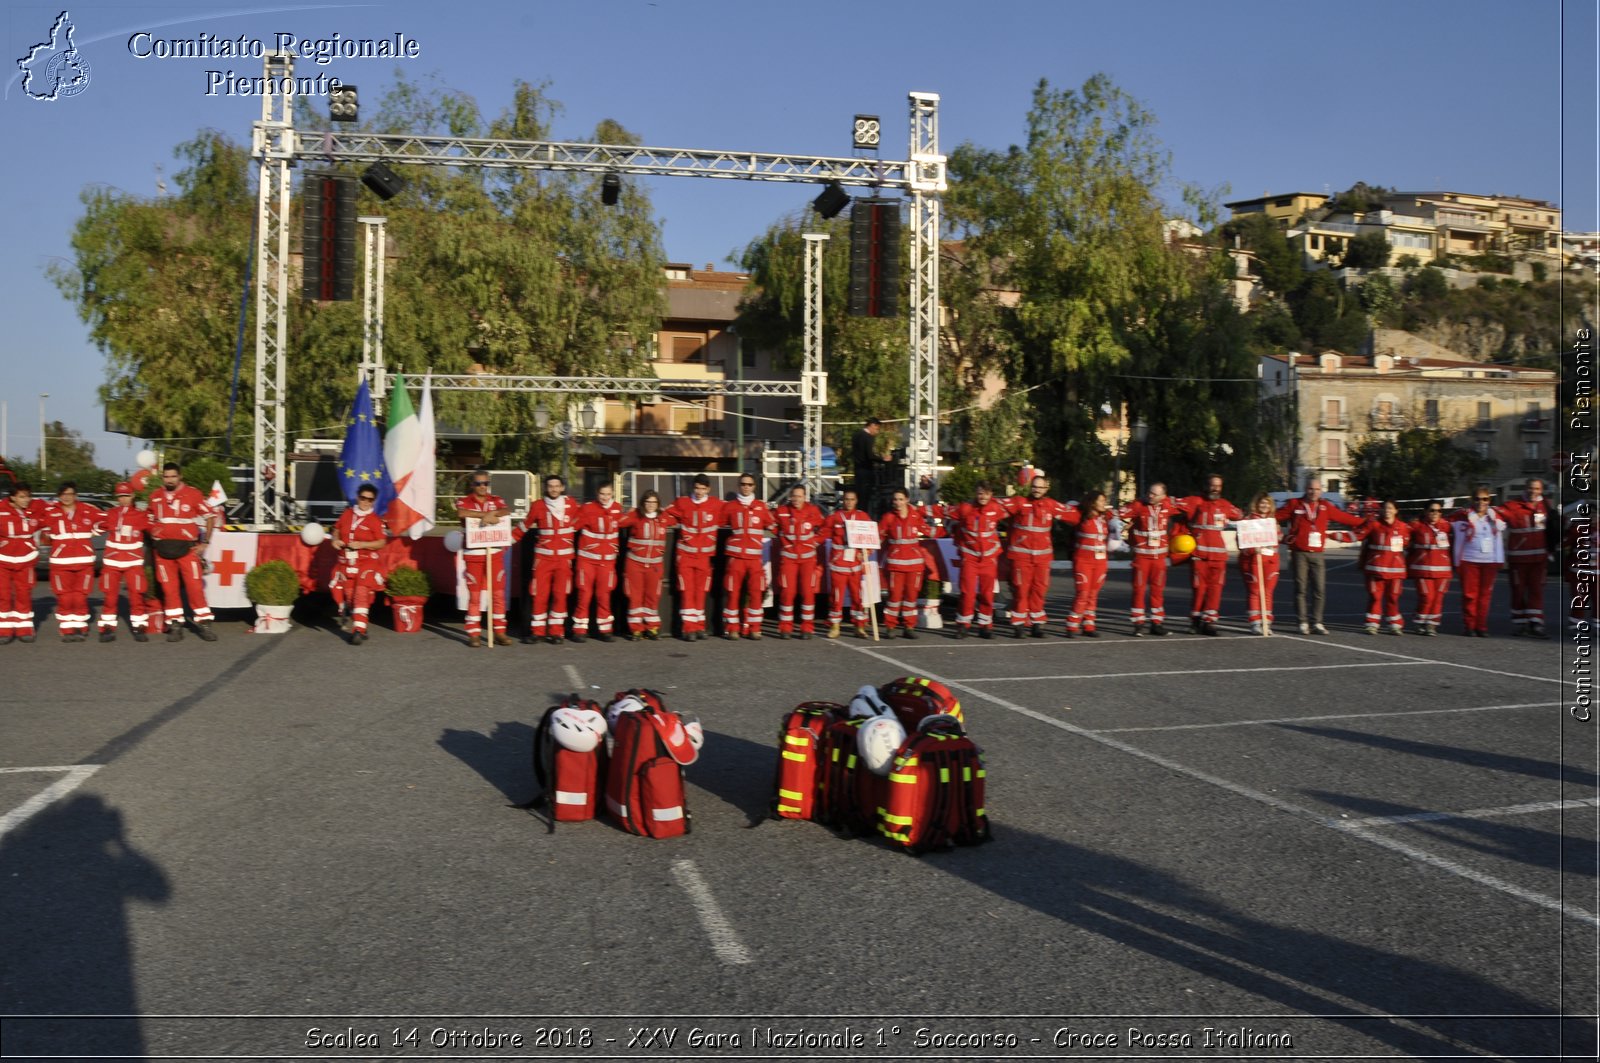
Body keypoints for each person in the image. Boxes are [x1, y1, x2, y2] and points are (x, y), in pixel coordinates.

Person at [1276, 478, 1364, 635]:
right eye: (1310, 489)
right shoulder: (1294, 504)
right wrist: (1274, 529)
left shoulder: (1325, 506)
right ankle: (1302, 622)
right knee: (1301, 589)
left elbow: (1344, 518)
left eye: (1316, 489)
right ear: (1306, 489)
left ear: (1321, 491)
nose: (1313, 492)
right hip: (1299, 553)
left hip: (1318, 553)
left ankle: (1317, 622)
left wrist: (1366, 522)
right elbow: (1275, 516)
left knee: (1319, 589)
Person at [148, 462, 222, 642]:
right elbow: (149, 519)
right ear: (162, 477)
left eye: (173, 476)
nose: (170, 479)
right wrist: (154, 536)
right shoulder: (155, 496)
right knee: (169, 588)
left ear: (180, 476)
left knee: (194, 587)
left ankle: (204, 624)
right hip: (163, 551)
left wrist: (205, 542)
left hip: (187, 550)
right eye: (166, 476)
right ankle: (175, 624)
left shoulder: (192, 494)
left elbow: (211, 516)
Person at [1003, 474, 1073, 637]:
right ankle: (1019, 625)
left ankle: (1037, 624)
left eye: (1041, 487)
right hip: (1021, 557)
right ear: (1030, 487)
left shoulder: (1050, 505)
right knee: (1021, 591)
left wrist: (1091, 510)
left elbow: (1072, 515)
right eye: (1035, 486)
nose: (1037, 490)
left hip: (1042, 558)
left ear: (1046, 489)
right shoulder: (1019, 502)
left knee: (1039, 591)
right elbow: (997, 509)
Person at [1176, 474, 1244, 636]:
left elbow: (1241, 515)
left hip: (1219, 557)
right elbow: (1171, 504)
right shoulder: (1194, 501)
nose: (1215, 489)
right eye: (1212, 485)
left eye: (1218, 486)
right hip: (1200, 555)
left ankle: (1210, 622)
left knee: (1216, 590)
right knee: (1199, 590)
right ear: (1206, 486)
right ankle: (1195, 621)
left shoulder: (1225, 505)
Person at [454, 471, 512, 648]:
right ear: (472, 485)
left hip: (494, 553)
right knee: (475, 595)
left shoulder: (496, 499)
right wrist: (484, 516)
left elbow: (507, 510)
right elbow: (461, 513)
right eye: (479, 483)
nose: (482, 486)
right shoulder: (465, 500)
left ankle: (500, 631)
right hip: (473, 554)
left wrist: (492, 512)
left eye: (485, 483)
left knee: (498, 593)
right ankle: (474, 632)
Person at [521, 474, 578, 645]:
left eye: (557, 486)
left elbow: (585, 518)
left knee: (561, 595)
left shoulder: (572, 504)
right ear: (546, 488)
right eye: (550, 486)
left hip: (564, 559)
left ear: (562, 488)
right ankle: (537, 632)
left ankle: (556, 632)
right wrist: (505, 541)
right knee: (539, 595)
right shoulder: (538, 505)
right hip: (543, 559)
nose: (554, 489)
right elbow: (525, 525)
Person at [946, 482, 1008, 638]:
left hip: (989, 559)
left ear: (991, 494)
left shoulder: (996, 508)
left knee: (987, 594)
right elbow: (943, 511)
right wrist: (917, 510)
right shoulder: (965, 509)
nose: (983, 497)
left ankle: (985, 626)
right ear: (976, 493)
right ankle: (963, 625)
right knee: (967, 593)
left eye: (986, 494)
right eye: (980, 493)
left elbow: (1016, 510)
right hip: (970, 559)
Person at [331, 483, 389, 646]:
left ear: (373, 501)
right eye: (363, 498)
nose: (366, 502)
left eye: (370, 500)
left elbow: (381, 542)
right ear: (358, 497)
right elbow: (336, 529)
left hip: (367, 561)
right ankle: (360, 622)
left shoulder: (375, 520)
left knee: (361, 591)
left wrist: (362, 544)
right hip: (347, 561)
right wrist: (335, 540)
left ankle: (358, 630)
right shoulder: (347, 514)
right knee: (351, 597)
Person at [1121, 482, 1182, 636]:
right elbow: (1119, 514)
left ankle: (1157, 623)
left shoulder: (1168, 505)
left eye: (1154, 494)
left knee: (1158, 591)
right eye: (1149, 492)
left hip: (1159, 558)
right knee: (1139, 590)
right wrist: (1123, 525)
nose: (1150, 496)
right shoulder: (1138, 506)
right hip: (1142, 556)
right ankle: (1138, 623)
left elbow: (1188, 508)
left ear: (1163, 496)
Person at [666, 474, 722, 640]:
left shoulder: (716, 504)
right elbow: (666, 514)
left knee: (700, 592)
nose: (699, 492)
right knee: (687, 592)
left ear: (708, 489)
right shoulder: (682, 502)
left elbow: (732, 511)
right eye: (697, 488)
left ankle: (699, 627)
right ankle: (688, 629)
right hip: (686, 556)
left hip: (704, 558)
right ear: (693, 487)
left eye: (703, 489)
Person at [97, 482, 152, 642]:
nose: (123, 499)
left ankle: (139, 626)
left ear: (132, 496)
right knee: (110, 596)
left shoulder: (141, 515)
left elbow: (155, 530)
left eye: (126, 496)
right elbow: (95, 526)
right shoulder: (111, 513)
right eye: (120, 496)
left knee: (136, 595)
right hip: (112, 561)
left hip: (133, 562)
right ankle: (107, 627)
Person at [721, 474, 773, 638]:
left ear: (754, 487)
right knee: (733, 593)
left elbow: (774, 525)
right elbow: (717, 523)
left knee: (756, 592)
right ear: (739, 485)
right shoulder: (730, 506)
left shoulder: (761, 507)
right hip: (735, 558)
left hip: (754, 559)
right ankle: (732, 628)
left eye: (749, 484)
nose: (746, 487)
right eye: (743, 484)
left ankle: (754, 627)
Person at [1449, 488, 1506, 637]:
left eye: (1485, 499)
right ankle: (1469, 626)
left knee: (1485, 595)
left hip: (1489, 562)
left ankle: (1481, 626)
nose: (1481, 502)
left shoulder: (1494, 517)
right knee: (1470, 595)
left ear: (1489, 501)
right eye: (1478, 499)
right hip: (1469, 561)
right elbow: (1442, 523)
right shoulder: (1462, 516)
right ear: (1472, 500)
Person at [619, 490, 675, 640]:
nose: (650, 505)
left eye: (654, 502)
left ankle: (652, 627)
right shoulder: (635, 516)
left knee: (653, 596)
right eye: (648, 502)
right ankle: (636, 629)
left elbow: (677, 518)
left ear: (658, 504)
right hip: (635, 563)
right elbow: (620, 521)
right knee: (635, 597)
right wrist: (629, 511)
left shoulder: (663, 518)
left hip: (655, 565)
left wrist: (666, 510)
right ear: (643, 503)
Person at [1501, 477, 1553, 637]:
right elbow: (1496, 516)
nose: (1533, 491)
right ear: (1525, 488)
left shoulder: (1546, 506)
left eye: (1537, 489)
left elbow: (1554, 527)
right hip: (1518, 559)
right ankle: (1520, 623)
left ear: (1541, 490)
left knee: (1536, 590)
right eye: (1531, 488)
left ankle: (1536, 623)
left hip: (1539, 559)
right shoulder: (1513, 505)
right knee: (1518, 590)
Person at [879, 487, 934, 638]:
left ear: (907, 500)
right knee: (894, 597)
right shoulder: (888, 517)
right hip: (895, 565)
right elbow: (878, 536)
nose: (897, 502)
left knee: (911, 598)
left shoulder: (916, 516)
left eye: (901, 499)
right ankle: (890, 626)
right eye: (895, 499)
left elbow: (928, 530)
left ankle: (909, 627)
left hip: (914, 566)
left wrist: (952, 530)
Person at [571, 483, 624, 642]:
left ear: (613, 493)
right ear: (597, 493)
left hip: (607, 562)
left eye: (608, 494)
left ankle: (605, 630)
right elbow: (573, 525)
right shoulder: (587, 508)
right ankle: (579, 630)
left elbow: (632, 520)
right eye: (602, 493)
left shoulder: (618, 508)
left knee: (604, 595)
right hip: (587, 560)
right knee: (584, 594)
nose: (605, 497)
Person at [773, 484, 825, 638]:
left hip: (807, 559)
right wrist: (783, 539)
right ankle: (785, 627)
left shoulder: (813, 511)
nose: (796, 499)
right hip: (789, 558)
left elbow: (825, 527)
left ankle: (807, 627)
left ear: (805, 497)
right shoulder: (782, 511)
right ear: (790, 496)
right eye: (794, 496)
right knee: (787, 592)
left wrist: (815, 541)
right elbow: (770, 524)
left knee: (808, 592)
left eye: (799, 496)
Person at [822, 486, 874, 638]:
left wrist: (866, 553)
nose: (849, 502)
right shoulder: (835, 517)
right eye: (846, 499)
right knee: (836, 596)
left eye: (852, 499)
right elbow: (823, 533)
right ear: (842, 500)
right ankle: (835, 626)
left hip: (855, 565)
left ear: (856, 501)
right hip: (839, 564)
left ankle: (859, 626)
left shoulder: (863, 516)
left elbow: (870, 538)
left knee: (857, 596)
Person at [0, 483, 47, 643]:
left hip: (26, 559)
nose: (26, 500)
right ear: (12, 497)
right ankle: (4, 630)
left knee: (23, 594)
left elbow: (53, 507)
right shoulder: (1, 509)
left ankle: (24, 629)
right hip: (3, 559)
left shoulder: (35, 508)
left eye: (28, 496)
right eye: (22, 497)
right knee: (3, 595)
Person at [1061, 491, 1112, 637]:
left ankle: (1089, 625)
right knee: (1083, 593)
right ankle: (1072, 625)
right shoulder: (1079, 515)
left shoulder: (1105, 517)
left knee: (1093, 594)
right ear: (1092, 502)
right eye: (1101, 501)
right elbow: (1065, 510)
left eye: (1104, 501)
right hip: (1083, 561)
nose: (1104, 504)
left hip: (1101, 561)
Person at [1356, 500, 1408, 635]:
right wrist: (1332, 535)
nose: (1387, 510)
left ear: (1396, 511)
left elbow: (1409, 544)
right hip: (1375, 569)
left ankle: (1395, 624)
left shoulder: (1403, 527)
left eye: (1390, 508)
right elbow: (1359, 536)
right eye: (1384, 508)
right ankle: (1372, 623)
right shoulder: (1374, 525)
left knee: (1393, 597)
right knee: (1375, 596)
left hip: (1396, 570)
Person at [1407, 499, 1453, 636]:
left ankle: (1431, 624)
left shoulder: (1446, 526)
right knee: (1427, 596)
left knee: (1438, 598)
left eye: (1439, 511)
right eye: (1432, 510)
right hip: (1422, 569)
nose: (1435, 513)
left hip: (1443, 570)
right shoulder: (1416, 526)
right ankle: (1419, 621)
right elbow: (1400, 533)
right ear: (1425, 511)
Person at [1237, 492, 1281, 635]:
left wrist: (1278, 534)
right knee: (1255, 591)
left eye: (1267, 503)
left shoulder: (1273, 521)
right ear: (1256, 504)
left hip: (1270, 560)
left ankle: (1267, 622)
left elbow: (1279, 539)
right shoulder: (1248, 520)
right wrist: (1252, 548)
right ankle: (1255, 622)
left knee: (1268, 592)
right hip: (1254, 560)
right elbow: (1241, 543)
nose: (1264, 506)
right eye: (1262, 503)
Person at [851, 418, 887, 512]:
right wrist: (882, 459)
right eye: (877, 429)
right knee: (865, 498)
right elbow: (870, 455)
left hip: (857, 470)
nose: (877, 432)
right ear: (872, 425)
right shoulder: (868, 437)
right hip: (866, 470)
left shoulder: (856, 435)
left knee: (859, 496)